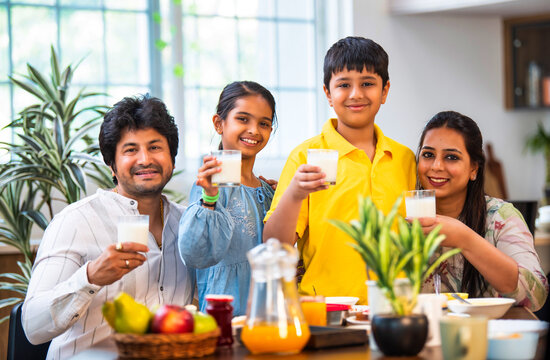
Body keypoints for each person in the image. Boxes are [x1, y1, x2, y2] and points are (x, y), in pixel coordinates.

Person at [22, 95, 195, 359]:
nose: (145, 159)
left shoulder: (190, 224)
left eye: (155, 147)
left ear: (172, 157)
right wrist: (90, 277)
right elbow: (33, 326)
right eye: (130, 150)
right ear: (112, 165)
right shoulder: (75, 221)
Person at [263, 37, 416, 304]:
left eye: (367, 83)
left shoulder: (404, 159)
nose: (356, 94)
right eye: (344, 85)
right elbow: (275, 246)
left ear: (385, 91)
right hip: (326, 309)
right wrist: (295, 194)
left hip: (397, 308)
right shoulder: (305, 157)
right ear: (327, 94)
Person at [416, 110, 548, 311]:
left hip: (487, 335)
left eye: (451, 157)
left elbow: (536, 294)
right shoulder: (403, 217)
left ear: (474, 169)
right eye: (428, 155)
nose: (436, 166)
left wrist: (465, 238)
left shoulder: (499, 216)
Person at [178, 81, 277, 316]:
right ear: (219, 123)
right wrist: (209, 198)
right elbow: (194, 255)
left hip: (268, 315)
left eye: (264, 123)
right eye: (243, 119)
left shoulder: (270, 190)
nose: (254, 130)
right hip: (225, 316)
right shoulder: (209, 186)